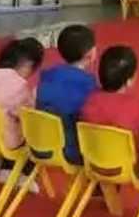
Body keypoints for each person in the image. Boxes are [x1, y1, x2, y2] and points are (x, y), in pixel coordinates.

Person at [80, 45, 139, 177]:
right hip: (127, 170)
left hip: (94, 163)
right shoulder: (133, 108)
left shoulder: (89, 101)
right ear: (129, 80)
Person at [36, 25, 98, 164]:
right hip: (71, 150)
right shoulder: (88, 84)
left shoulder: (48, 75)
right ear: (90, 53)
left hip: (41, 143)